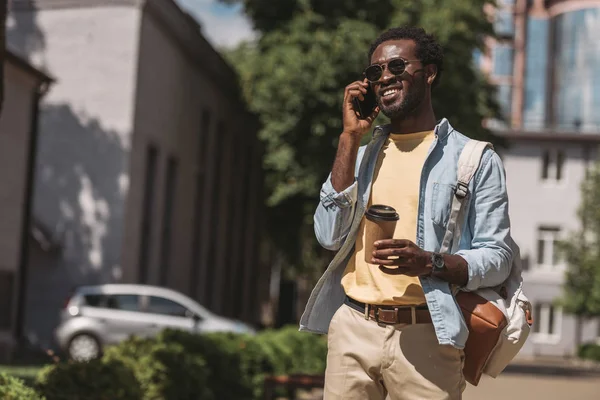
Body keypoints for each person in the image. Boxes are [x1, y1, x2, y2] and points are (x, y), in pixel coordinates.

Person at [299, 26, 514, 400]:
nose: (384, 77)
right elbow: (328, 236)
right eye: (375, 72)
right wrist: (349, 137)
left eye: (397, 66)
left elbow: (498, 257)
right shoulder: (362, 156)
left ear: (428, 72)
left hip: (427, 335)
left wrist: (430, 262)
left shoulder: (474, 160)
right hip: (353, 326)